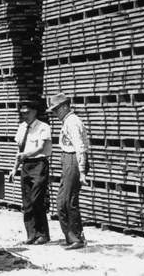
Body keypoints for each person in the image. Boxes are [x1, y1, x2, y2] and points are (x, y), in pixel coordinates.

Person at [48, 92, 91, 250]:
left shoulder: (72, 121)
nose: (55, 113)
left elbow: (80, 147)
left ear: (65, 107)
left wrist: (82, 170)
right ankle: (70, 237)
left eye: (56, 110)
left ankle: (77, 238)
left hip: (73, 161)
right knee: (61, 202)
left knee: (69, 201)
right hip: (68, 161)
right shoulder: (67, 121)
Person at [8, 99, 52, 245]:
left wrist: (26, 155)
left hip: (39, 164)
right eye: (22, 113)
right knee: (27, 202)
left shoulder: (43, 127)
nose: (24, 116)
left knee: (36, 199)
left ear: (34, 112)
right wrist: (14, 168)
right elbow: (19, 150)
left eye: (27, 113)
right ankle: (31, 235)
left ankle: (43, 234)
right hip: (25, 165)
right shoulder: (22, 127)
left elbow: (40, 148)